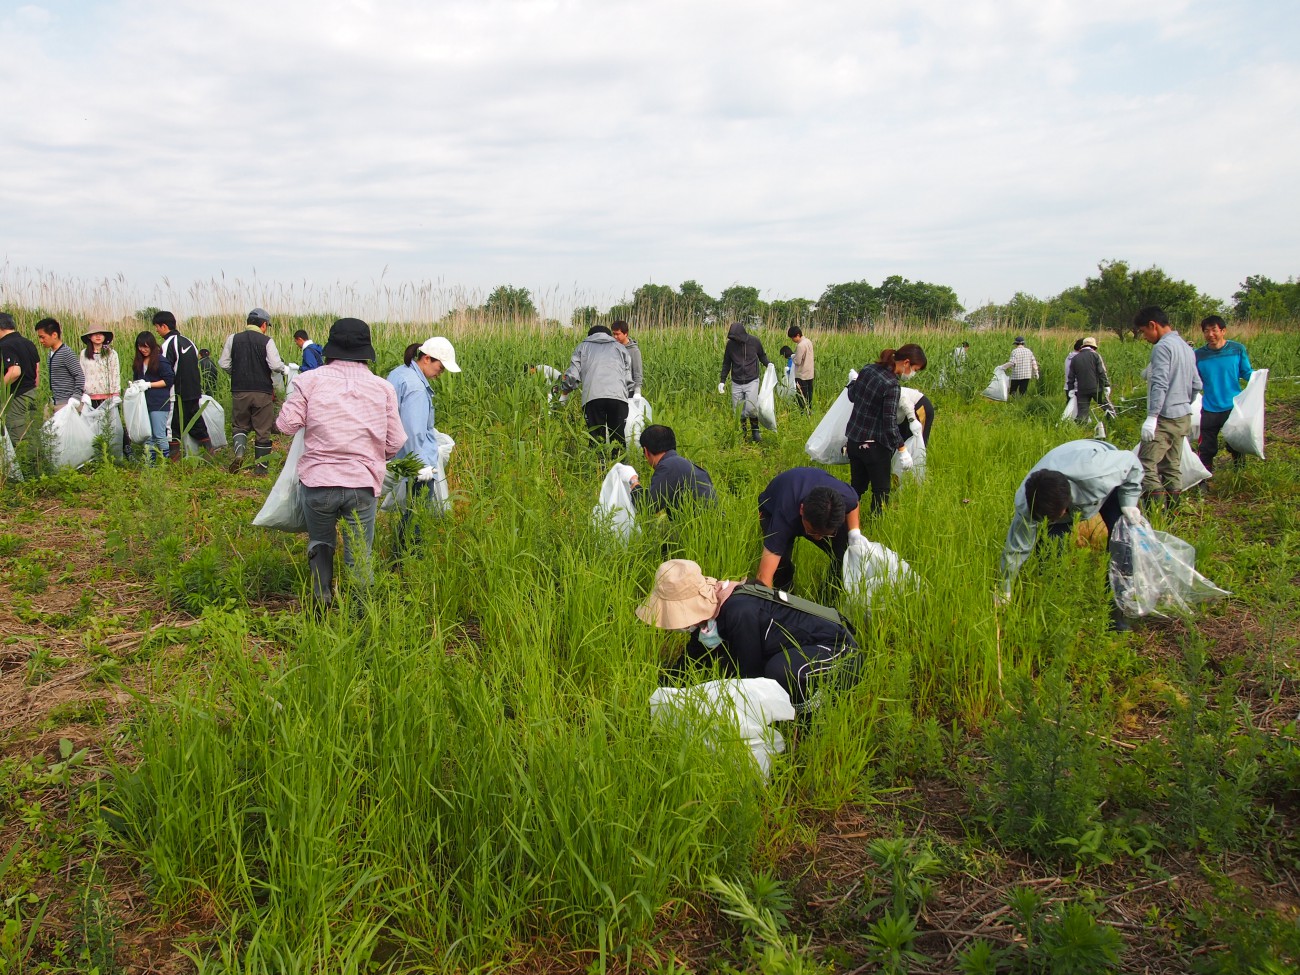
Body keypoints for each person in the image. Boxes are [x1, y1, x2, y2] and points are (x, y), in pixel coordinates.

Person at [275, 318, 405, 610]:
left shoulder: (309, 380)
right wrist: (372, 455)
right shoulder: (382, 388)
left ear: (331, 348)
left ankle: (321, 598)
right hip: (362, 483)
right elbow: (395, 442)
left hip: (318, 482)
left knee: (320, 542)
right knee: (360, 550)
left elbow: (286, 424)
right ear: (365, 350)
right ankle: (361, 611)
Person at [637, 559, 859, 712]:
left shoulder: (738, 611)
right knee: (727, 664)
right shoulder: (718, 604)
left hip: (839, 648)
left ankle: (809, 717)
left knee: (777, 671)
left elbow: (751, 679)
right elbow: (694, 654)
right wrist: (665, 687)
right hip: (800, 644)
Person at [999, 439, 1145, 630]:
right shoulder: (1029, 502)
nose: (1047, 522)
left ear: (1065, 508)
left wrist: (1128, 502)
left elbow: (1131, 462)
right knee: (1051, 549)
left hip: (1109, 488)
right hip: (1059, 495)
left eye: (1052, 518)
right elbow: (1016, 549)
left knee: (1123, 543)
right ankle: (1053, 601)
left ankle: (1117, 614)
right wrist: (1004, 588)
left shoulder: (1098, 474)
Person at [388, 336, 461, 550]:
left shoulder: (400, 373)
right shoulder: (416, 388)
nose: (441, 373)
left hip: (402, 456)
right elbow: (414, 431)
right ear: (427, 359)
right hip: (417, 462)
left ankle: (400, 557)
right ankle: (410, 562)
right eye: (440, 367)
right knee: (417, 515)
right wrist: (421, 465)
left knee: (410, 512)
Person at [1132, 306, 1201, 508]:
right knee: (1171, 466)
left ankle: (1156, 514)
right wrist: (1183, 401)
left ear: (1153, 325)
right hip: (1183, 417)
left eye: (1144, 331)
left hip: (1165, 418)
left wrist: (1152, 417)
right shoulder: (1186, 347)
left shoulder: (1162, 347)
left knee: (1145, 464)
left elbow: (1160, 383)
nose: (1144, 337)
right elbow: (1197, 384)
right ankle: (1173, 514)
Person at [844, 345, 927, 512]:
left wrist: (853, 382)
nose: (913, 374)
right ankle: (875, 525)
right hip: (874, 447)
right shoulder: (892, 385)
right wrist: (903, 450)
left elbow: (852, 396)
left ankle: (846, 523)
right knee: (881, 491)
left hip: (854, 441)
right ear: (906, 363)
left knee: (856, 489)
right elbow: (889, 424)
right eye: (914, 370)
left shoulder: (868, 369)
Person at [756, 467, 862, 592]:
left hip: (815, 511)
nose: (818, 538)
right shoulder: (784, 515)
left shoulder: (844, 497)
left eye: (825, 535)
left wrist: (854, 534)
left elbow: (854, 503)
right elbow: (764, 576)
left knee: (845, 555)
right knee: (780, 565)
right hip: (772, 508)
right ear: (802, 510)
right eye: (813, 532)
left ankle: (828, 598)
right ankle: (784, 598)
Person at [219, 307, 288, 475]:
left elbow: (224, 363)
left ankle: (240, 454)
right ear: (264, 325)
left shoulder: (233, 339)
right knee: (263, 430)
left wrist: (236, 373)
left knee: (239, 425)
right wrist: (284, 369)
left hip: (239, 390)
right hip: (262, 391)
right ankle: (261, 469)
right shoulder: (267, 341)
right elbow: (274, 365)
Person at [559, 324, 633, 450]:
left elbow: (572, 375)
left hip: (592, 398)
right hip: (618, 398)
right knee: (618, 438)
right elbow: (627, 378)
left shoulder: (582, 347)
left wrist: (565, 390)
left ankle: (598, 467)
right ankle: (620, 465)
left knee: (596, 438)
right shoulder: (620, 348)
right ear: (609, 335)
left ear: (590, 336)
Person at [153, 312, 215, 460]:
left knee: (173, 425)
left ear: (164, 326)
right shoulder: (189, 342)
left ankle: (174, 458)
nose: (156, 330)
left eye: (157, 327)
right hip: (194, 390)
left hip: (177, 392)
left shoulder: (168, 344)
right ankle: (209, 451)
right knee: (195, 420)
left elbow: (167, 371)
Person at [1194, 315, 1252, 472]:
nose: (1210, 334)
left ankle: (1238, 473)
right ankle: (1204, 479)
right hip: (1210, 407)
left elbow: (1246, 372)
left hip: (1232, 407)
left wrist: (1259, 380)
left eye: (1214, 330)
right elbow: (1193, 379)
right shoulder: (1198, 355)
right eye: (1206, 331)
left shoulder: (1237, 349)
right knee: (1206, 447)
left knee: (1235, 444)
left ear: (1223, 331)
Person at [628, 423, 716, 516]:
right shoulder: (683, 464)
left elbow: (646, 506)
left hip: (700, 527)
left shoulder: (668, 467)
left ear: (646, 451)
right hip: (711, 525)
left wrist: (633, 481)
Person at [0, 313, 41, 474]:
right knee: (33, 432)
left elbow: (15, 371)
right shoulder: (28, 343)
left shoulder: (5, 345)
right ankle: (38, 471)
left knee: (17, 434)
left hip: (17, 396)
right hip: (32, 392)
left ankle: (25, 474)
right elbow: (37, 372)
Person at [719, 321, 771, 443]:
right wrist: (722, 380)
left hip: (752, 380)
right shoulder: (730, 345)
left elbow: (762, 356)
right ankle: (743, 433)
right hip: (736, 381)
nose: (735, 340)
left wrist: (768, 364)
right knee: (739, 411)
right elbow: (726, 363)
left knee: (751, 409)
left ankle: (755, 431)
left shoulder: (755, 342)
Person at [130, 331, 176, 465]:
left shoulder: (160, 360)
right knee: (148, 436)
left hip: (159, 403)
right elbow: (136, 379)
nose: (143, 350)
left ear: (152, 346)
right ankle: (150, 464)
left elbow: (168, 380)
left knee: (159, 434)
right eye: (140, 346)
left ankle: (166, 463)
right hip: (144, 403)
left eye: (146, 347)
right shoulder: (139, 362)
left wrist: (149, 384)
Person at [34, 318, 86, 409]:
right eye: (39, 337)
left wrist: (76, 397)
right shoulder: (51, 353)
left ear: (54, 335)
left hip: (67, 403)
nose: (41, 341)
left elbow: (79, 376)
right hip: (55, 401)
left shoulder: (66, 353)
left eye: (43, 337)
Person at [1066, 336, 1110, 424]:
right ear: (1093, 347)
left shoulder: (1075, 358)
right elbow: (1101, 372)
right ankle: (1113, 422)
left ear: (1082, 347)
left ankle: (1081, 430)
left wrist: (1070, 388)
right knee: (1106, 407)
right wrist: (1106, 385)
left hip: (1081, 389)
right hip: (1096, 388)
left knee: (1082, 412)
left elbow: (1071, 376)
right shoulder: (1095, 356)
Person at [79, 328, 121, 410]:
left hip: (108, 396)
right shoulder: (84, 353)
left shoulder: (112, 353)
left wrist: (116, 393)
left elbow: (115, 373)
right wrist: (82, 392)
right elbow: (81, 373)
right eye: (95, 334)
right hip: (90, 396)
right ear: (89, 336)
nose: (98, 336)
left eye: (101, 334)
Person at [610, 320, 642, 397]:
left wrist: (637, 391)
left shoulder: (634, 351)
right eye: (613, 334)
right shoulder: (611, 347)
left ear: (626, 334)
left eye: (618, 334)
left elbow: (638, 372)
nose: (615, 337)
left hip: (628, 391)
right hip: (613, 390)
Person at [788, 325, 815, 411]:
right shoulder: (808, 341)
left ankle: (802, 412)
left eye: (793, 337)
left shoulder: (800, 345)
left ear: (798, 335)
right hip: (810, 373)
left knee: (801, 396)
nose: (792, 340)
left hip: (801, 374)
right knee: (809, 394)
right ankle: (809, 410)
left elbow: (798, 361)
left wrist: (792, 356)